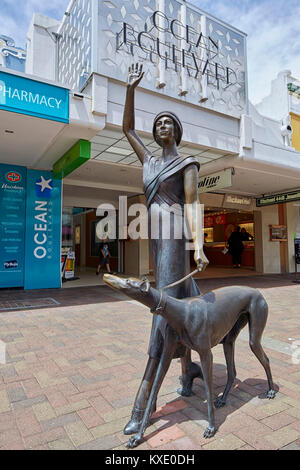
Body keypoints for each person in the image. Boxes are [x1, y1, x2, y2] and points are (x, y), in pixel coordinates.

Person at [122, 63, 208, 434]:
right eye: (157, 123)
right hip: (156, 238)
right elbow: (126, 128)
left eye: (167, 122)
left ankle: (145, 402)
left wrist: (199, 245)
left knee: (162, 308)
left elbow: (191, 206)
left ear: (176, 130)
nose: (160, 127)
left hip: (175, 236)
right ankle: (189, 369)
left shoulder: (185, 163)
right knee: (177, 300)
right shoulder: (150, 160)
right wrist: (130, 90)